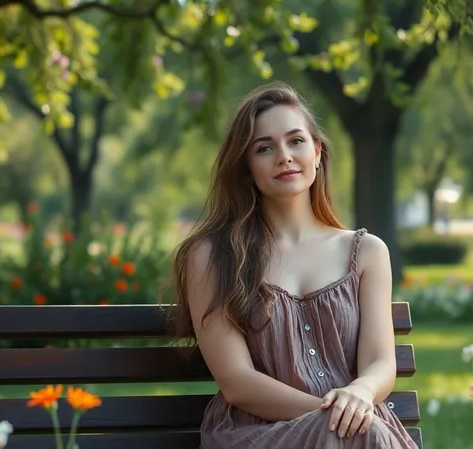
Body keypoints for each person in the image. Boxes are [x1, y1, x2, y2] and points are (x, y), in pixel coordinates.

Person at [169, 82, 418, 449]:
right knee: (354, 437)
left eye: (296, 141)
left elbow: (380, 361)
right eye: (264, 148)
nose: (284, 156)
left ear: (317, 152)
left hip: (357, 425)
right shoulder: (211, 257)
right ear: (247, 168)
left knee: (357, 436)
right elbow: (237, 382)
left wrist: (361, 393)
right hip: (258, 433)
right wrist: (332, 415)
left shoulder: (366, 252)